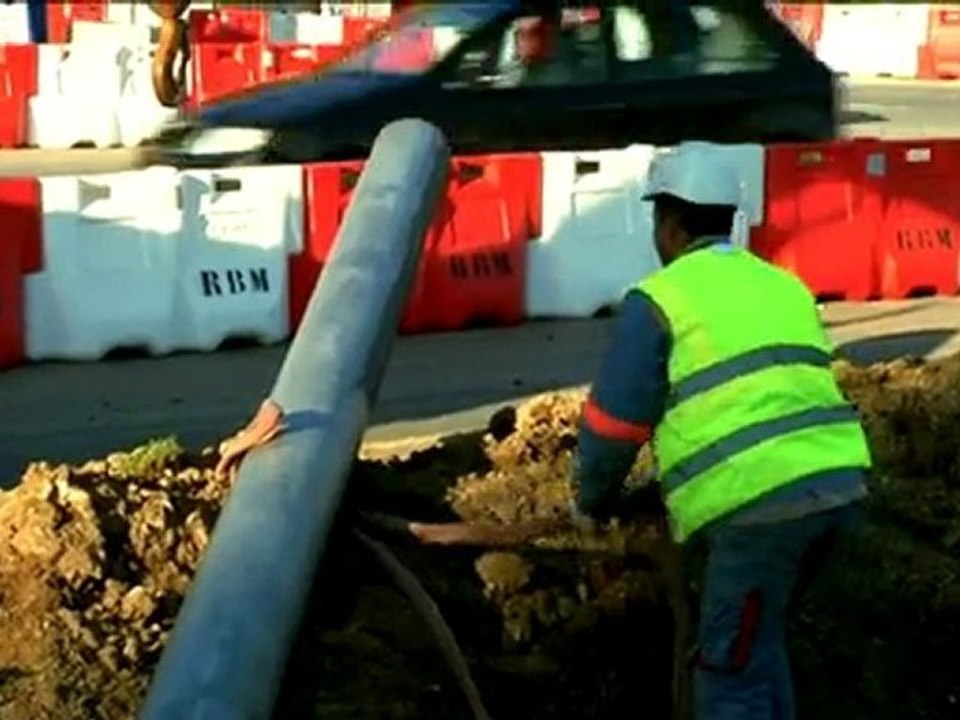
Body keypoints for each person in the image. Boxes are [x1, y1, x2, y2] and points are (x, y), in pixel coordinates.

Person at [569, 141, 872, 719]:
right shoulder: (782, 284)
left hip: (760, 506)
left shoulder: (662, 298)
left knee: (728, 674)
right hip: (836, 488)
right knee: (758, 647)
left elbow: (614, 421)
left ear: (670, 224)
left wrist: (591, 502)